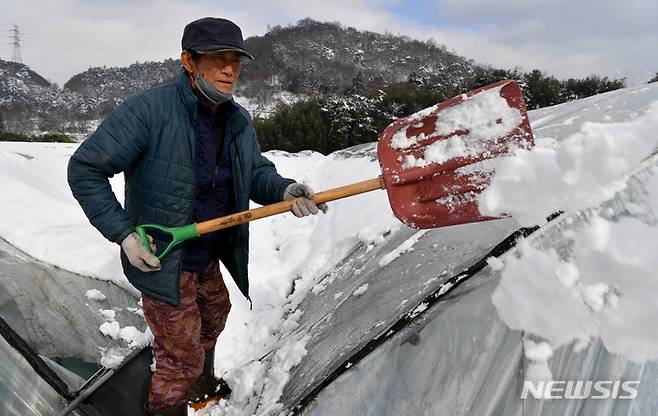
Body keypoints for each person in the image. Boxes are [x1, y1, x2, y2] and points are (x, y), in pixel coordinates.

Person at [68, 16, 327, 416]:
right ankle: (169, 403)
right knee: (179, 356)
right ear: (188, 60)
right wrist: (123, 234)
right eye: (217, 59)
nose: (229, 69)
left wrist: (283, 189)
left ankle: (199, 387)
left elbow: (252, 170)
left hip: (206, 251)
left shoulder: (237, 120)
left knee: (215, 315)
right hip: (162, 258)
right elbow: (85, 168)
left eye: (236, 60)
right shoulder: (147, 111)